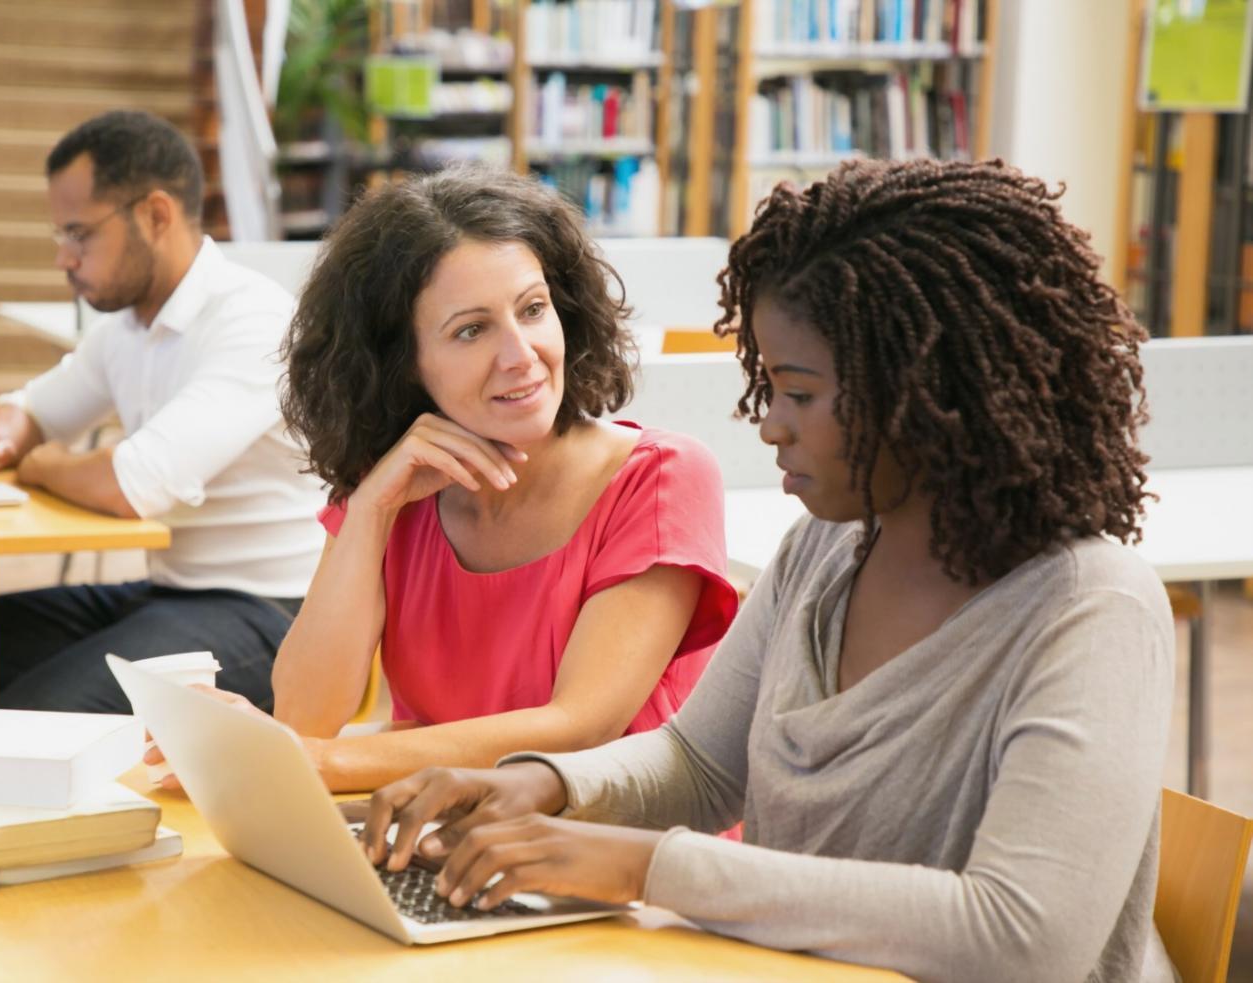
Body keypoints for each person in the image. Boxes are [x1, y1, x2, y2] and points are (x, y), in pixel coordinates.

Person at [357, 159, 1178, 982]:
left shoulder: (1090, 608)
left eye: (800, 394)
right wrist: (540, 785)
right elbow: (701, 763)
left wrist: (641, 865)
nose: (771, 427)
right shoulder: (828, 547)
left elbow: (1019, 938)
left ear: (926, 392)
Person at [149, 165, 738, 793]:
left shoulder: (659, 479)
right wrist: (371, 507)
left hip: (616, 862)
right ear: (402, 366)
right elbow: (306, 712)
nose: (521, 355)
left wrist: (305, 760)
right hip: (443, 841)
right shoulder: (391, 489)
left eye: (533, 310)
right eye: (471, 330)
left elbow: (578, 729)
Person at [0, 110, 326, 714]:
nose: (65, 258)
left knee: (42, 711)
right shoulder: (128, 326)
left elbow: (129, 485)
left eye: (79, 234)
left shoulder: (252, 321)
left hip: (273, 614)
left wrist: (39, 464)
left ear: (155, 215)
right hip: (168, 591)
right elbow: (34, 412)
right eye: (60, 237)